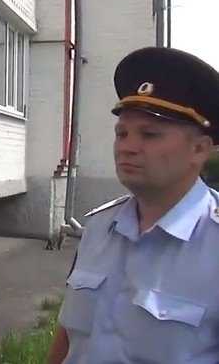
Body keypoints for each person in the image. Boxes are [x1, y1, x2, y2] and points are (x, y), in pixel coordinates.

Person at [48, 47, 219, 363]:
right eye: (122, 133)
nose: (127, 147)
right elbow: (69, 335)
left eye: (149, 135)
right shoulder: (99, 227)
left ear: (199, 149)